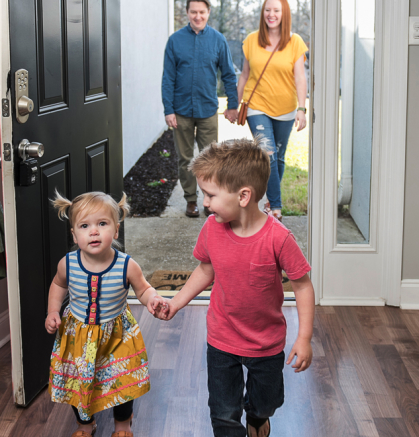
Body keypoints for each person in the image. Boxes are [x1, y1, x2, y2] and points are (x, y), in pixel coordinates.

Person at [157, 138, 315, 437]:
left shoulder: (278, 239)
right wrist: (176, 302)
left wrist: (304, 337)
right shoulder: (212, 229)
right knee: (224, 412)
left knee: (267, 401)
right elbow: (206, 269)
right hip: (222, 338)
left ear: (243, 196)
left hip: (265, 343)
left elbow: (303, 286)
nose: (205, 202)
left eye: (210, 195)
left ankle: (258, 417)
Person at [44, 191, 166, 437]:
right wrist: (52, 311)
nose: (94, 231)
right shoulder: (67, 264)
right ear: (74, 234)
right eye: (85, 226)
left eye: (102, 224)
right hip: (78, 338)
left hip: (117, 338)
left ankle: (122, 425)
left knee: (122, 380)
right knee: (79, 382)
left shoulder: (126, 265)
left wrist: (153, 299)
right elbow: (58, 285)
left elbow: (143, 289)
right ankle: (85, 426)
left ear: (116, 230)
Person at [162, 0, 239, 218]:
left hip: (207, 110)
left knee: (210, 159)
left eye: (202, 12)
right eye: (193, 12)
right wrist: (169, 109)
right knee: (185, 158)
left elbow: (228, 74)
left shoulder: (218, 40)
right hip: (181, 111)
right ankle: (190, 200)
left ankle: (210, 200)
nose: (198, 16)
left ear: (208, 13)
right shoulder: (175, 41)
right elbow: (168, 78)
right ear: (187, 12)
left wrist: (232, 104)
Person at [236, 0, 308, 222]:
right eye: (267, 10)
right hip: (257, 106)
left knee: (278, 157)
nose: (271, 14)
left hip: (285, 109)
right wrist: (234, 105)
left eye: (276, 10)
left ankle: (269, 199)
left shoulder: (295, 42)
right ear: (263, 13)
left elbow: (300, 77)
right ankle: (275, 207)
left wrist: (302, 108)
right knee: (267, 155)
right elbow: (245, 75)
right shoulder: (251, 40)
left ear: (284, 13)